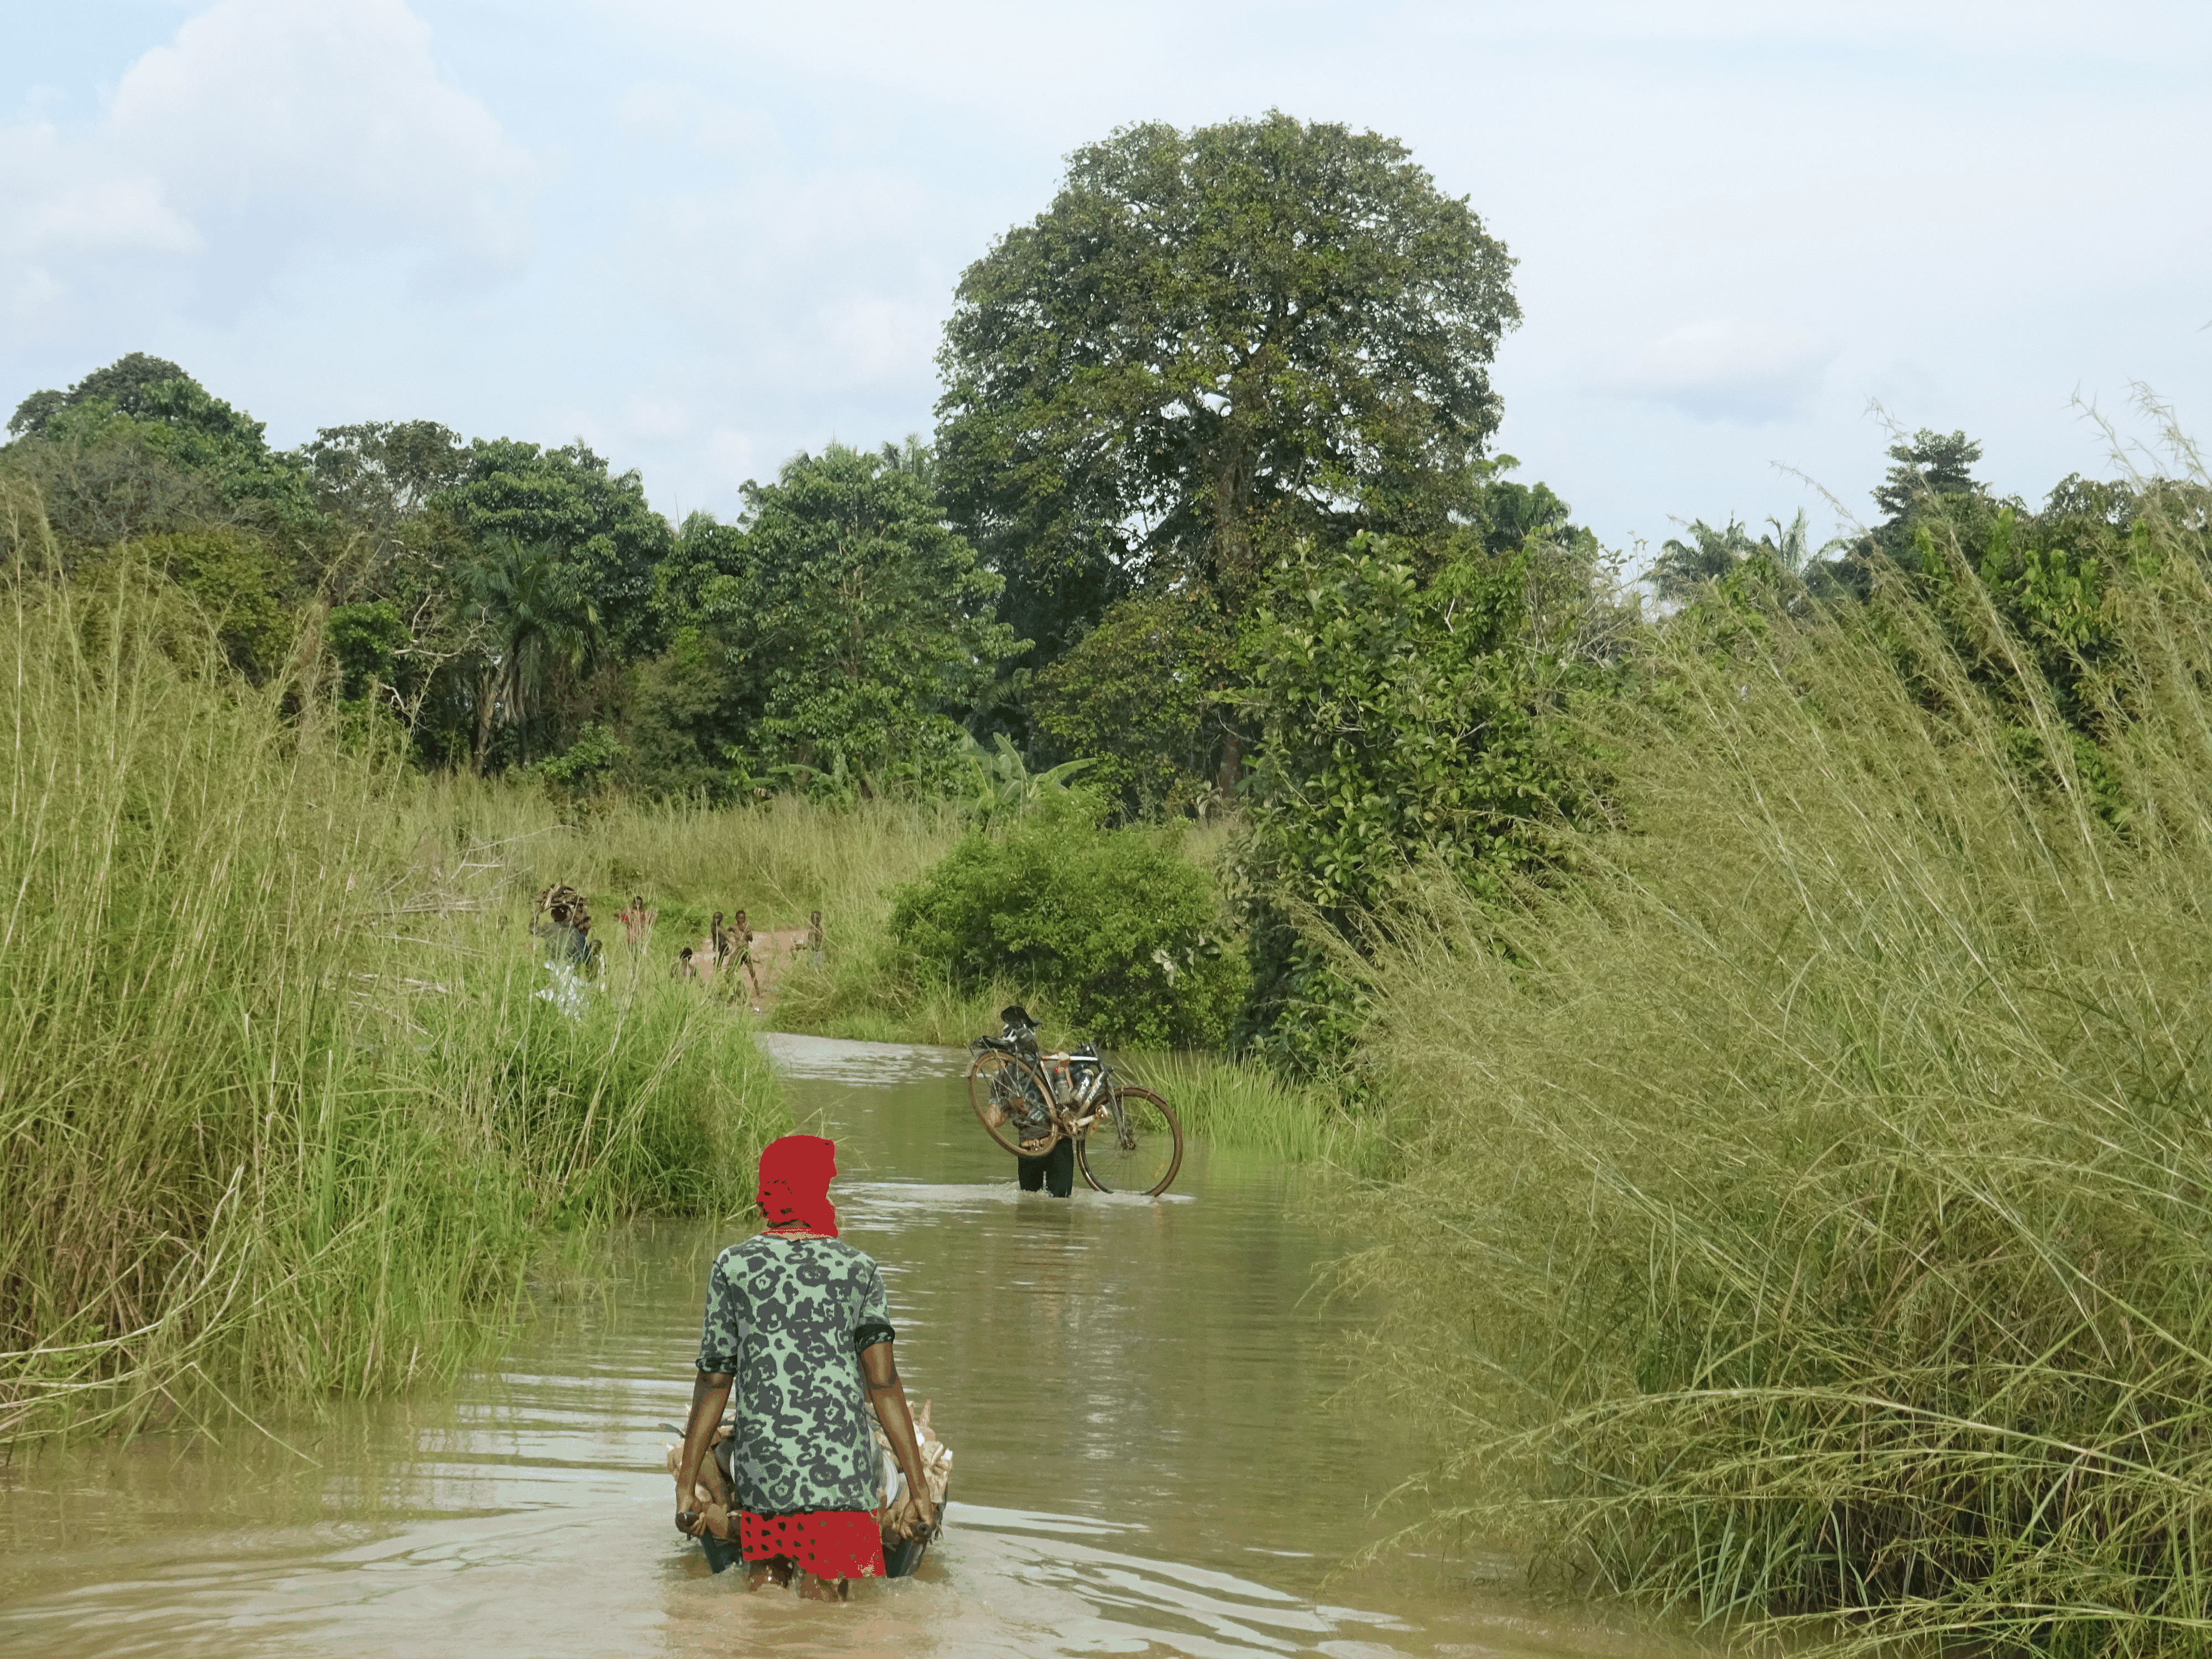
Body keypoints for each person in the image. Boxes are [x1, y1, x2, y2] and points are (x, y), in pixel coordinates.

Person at [674, 1135, 936, 1599]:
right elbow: (883, 1383)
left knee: (766, 1602)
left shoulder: (732, 1267)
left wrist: (687, 1483)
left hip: (766, 1476)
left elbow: (715, 1381)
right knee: (827, 1611)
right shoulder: (860, 1269)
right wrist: (919, 1490)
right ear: (815, 1189)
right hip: (842, 1479)